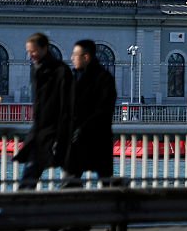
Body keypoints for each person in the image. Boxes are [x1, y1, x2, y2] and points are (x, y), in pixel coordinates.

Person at [14, 33, 71, 189]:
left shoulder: (60, 71)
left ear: (44, 48)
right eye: (28, 51)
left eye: (33, 51)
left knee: (31, 173)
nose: (30, 55)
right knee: (31, 173)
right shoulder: (37, 68)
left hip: (53, 131)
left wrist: (61, 133)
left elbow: (66, 104)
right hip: (41, 130)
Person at [62, 39, 118, 186]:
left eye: (75, 54)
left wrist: (81, 128)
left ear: (86, 57)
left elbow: (104, 109)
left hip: (95, 138)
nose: (72, 58)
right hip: (82, 140)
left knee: (101, 183)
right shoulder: (76, 77)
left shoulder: (102, 79)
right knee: (72, 182)